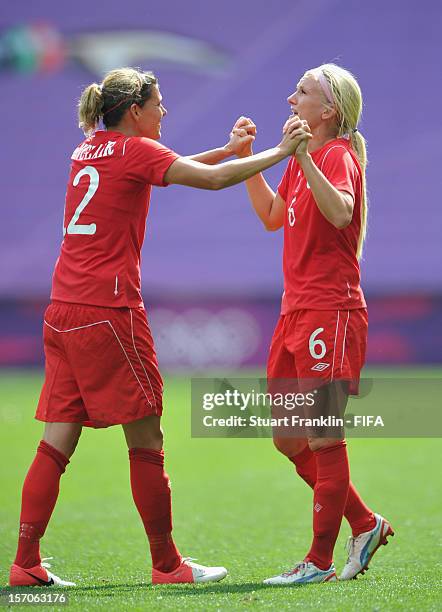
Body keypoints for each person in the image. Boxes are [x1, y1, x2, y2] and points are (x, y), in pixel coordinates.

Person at [9, 67, 310, 588]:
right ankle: (168, 566)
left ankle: (25, 562)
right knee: (146, 436)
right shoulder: (135, 151)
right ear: (134, 111)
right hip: (110, 311)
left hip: (63, 310)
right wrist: (281, 152)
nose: (164, 112)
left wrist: (226, 148)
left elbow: (178, 167)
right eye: (158, 104)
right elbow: (209, 180)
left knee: (55, 440)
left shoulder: (89, 149)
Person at [232, 63, 394, 585]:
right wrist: (248, 162)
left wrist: (303, 156)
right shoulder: (301, 158)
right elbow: (273, 216)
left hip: (332, 310)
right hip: (294, 312)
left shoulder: (338, 155)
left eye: (302, 91)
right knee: (288, 439)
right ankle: (365, 524)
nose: (290, 99)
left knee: (323, 434)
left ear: (329, 111)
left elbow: (343, 213)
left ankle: (319, 560)